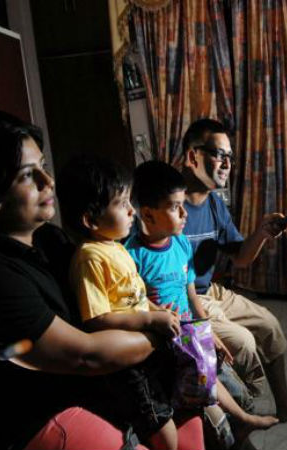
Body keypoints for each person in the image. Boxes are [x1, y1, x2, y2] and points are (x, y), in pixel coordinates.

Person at [0, 111, 204, 450]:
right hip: (15, 431)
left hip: (70, 394)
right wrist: (163, 332)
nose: (47, 181)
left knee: (192, 413)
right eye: (28, 175)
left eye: (43, 166)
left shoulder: (48, 240)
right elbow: (86, 356)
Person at [125, 161, 279, 445]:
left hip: (193, 335)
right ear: (147, 213)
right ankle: (236, 426)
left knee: (238, 393)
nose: (185, 214)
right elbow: (134, 302)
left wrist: (209, 333)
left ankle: (243, 420)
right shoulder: (131, 255)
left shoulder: (181, 244)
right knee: (216, 417)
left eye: (183, 204)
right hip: (168, 346)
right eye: (175, 207)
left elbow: (192, 295)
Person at [180, 118, 287, 422]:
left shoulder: (214, 204)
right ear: (193, 156)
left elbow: (241, 258)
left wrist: (261, 233)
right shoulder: (169, 204)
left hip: (209, 290)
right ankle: (241, 421)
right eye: (220, 154)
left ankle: (284, 402)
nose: (227, 164)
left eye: (230, 157)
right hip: (183, 299)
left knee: (269, 324)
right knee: (243, 343)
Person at [56, 155, 183, 450]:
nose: (131, 210)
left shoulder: (115, 246)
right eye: (122, 203)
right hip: (127, 365)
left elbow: (134, 296)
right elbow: (97, 319)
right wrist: (150, 319)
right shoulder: (90, 257)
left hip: (144, 346)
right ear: (91, 220)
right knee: (161, 428)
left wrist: (157, 311)